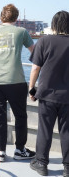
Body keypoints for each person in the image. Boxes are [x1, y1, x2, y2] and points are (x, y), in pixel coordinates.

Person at [0, 4, 35, 162]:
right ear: (16, 18)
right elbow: (35, 52)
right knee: (20, 116)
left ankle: (0, 151)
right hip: (15, 80)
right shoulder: (21, 32)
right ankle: (20, 150)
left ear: (1, 16)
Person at [28, 11, 69, 177]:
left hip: (47, 95)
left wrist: (32, 88)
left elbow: (35, 68)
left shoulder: (44, 41)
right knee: (67, 132)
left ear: (54, 25)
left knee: (45, 130)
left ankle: (41, 163)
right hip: (67, 97)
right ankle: (68, 167)